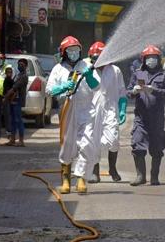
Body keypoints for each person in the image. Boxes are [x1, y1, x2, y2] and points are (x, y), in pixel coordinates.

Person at [45, 36, 100, 194]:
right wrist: (62, 87)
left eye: (76, 50)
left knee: (87, 143)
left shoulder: (87, 65)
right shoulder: (58, 69)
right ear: (63, 52)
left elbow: (97, 87)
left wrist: (89, 76)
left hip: (86, 109)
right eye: (70, 50)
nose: (74, 53)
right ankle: (66, 179)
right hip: (67, 108)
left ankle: (81, 178)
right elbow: (49, 90)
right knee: (67, 145)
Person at [127, 45, 165, 186]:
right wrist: (134, 91)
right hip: (141, 117)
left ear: (159, 59)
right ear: (143, 59)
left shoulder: (164, 74)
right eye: (148, 58)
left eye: (154, 58)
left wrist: (154, 90)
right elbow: (128, 92)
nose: (151, 61)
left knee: (156, 148)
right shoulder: (139, 74)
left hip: (157, 118)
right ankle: (140, 176)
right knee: (137, 145)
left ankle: (154, 177)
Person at [86, 42, 127, 184]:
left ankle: (112, 168)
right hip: (92, 111)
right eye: (95, 57)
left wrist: (122, 108)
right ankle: (95, 172)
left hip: (110, 109)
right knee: (94, 141)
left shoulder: (115, 71)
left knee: (114, 140)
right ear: (91, 57)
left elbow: (122, 91)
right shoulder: (87, 71)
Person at [5, 59, 29, 147]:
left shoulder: (24, 76)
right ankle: (12, 139)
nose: (20, 66)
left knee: (18, 120)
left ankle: (21, 141)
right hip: (13, 100)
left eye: (22, 65)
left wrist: (6, 96)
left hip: (18, 100)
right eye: (19, 64)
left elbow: (15, 87)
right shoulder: (18, 75)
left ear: (26, 66)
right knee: (13, 121)